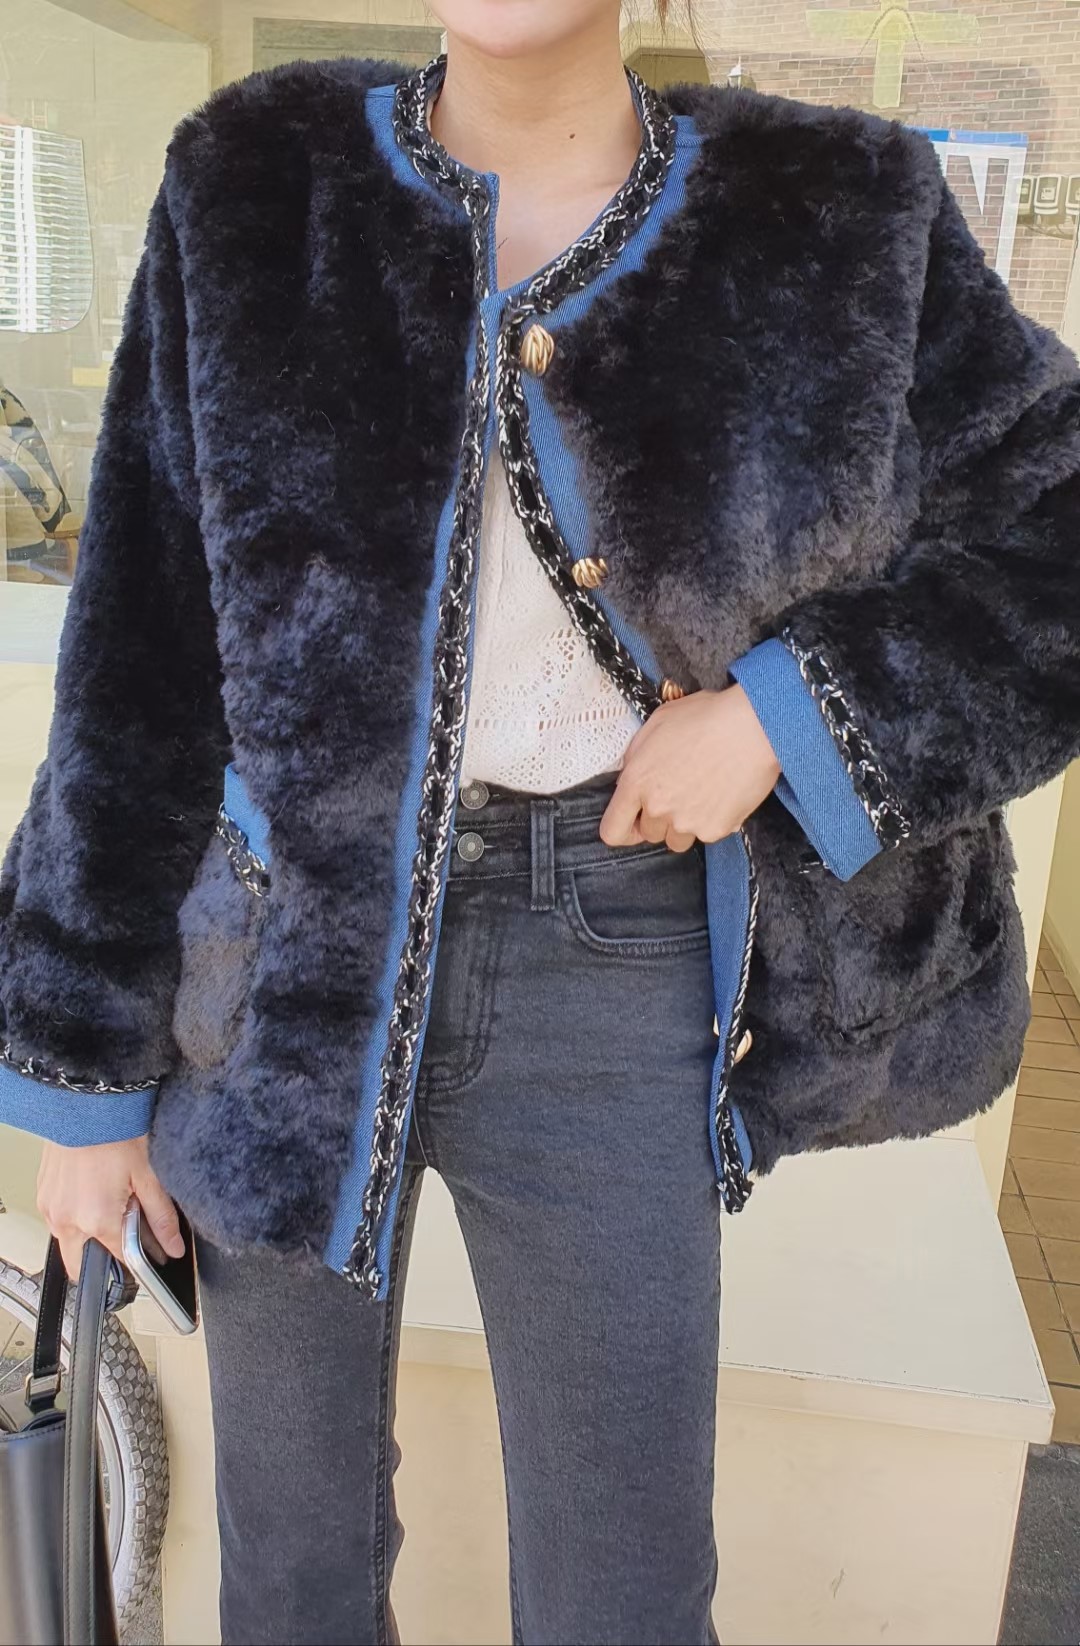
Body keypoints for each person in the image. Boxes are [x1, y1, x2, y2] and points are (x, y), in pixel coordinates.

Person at [4, 2, 1080, 1641]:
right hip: (282, 972)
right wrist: (80, 1079)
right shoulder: (253, 182)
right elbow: (136, 649)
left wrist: (787, 717)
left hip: (614, 953)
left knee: (620, 1595)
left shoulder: (840, 210)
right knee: (290, 1578)